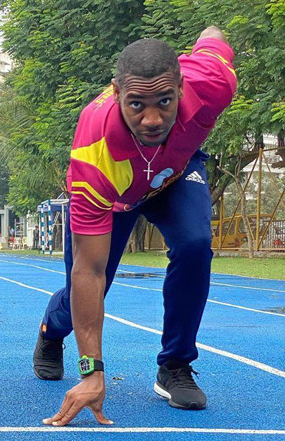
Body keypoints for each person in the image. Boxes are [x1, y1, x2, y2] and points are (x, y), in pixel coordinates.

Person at [33, 26, 237, 426]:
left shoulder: (214, 81)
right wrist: (92, 372)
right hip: (116, 191)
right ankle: (50, 328)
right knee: (95, 282)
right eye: (136, 105)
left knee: (196, 243)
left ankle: (175, 364)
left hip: (172, 176)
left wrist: (211, 32)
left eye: (165, 101)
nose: (152, 119)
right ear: (116, 93)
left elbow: (213, 37)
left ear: (181, 85)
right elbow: (87, 272)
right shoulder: (94, 154)